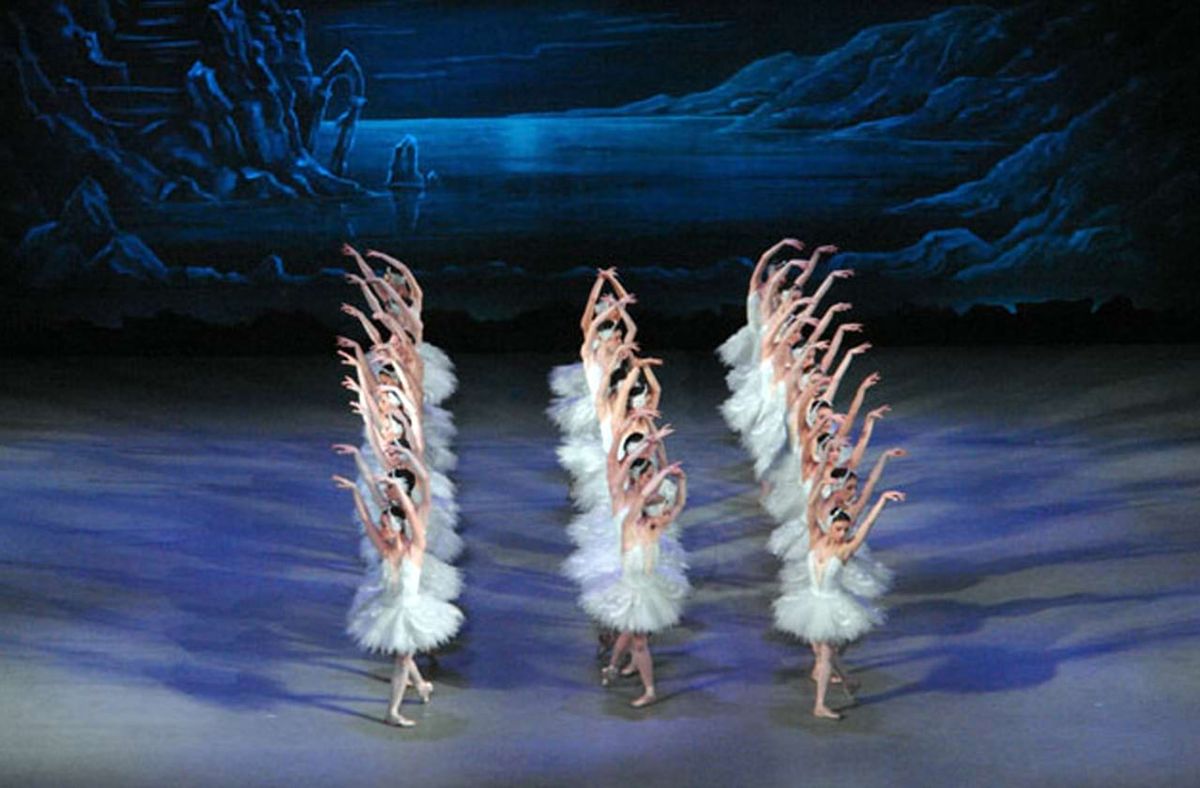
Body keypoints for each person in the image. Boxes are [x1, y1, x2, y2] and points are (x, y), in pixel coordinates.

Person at [773, 486, 904, 719]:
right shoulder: (815, 539)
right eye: (839, 528)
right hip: (811, 600)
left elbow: (867, 525)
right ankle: (848, 681)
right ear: (829, 526)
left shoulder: (845, 550)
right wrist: (821, 485)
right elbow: (811, 508)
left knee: (825, 654)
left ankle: (820, 705)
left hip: (832, 605)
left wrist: (882, 501)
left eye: (846, 529)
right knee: (825, 651)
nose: (842, 533)